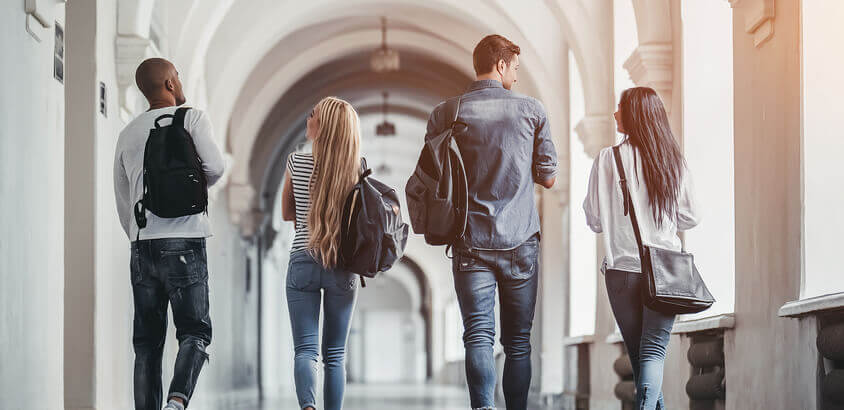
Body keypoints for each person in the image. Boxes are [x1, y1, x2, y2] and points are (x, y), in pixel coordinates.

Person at [424, 34, 558, 410]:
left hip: (470, 241)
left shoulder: (446, 113)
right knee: (518, 342)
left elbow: (434, 174)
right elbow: (548, 177)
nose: (516, 75)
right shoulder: (533, 110)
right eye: (514, 67)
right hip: (520, 242)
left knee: (478, 337)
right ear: (500, 65)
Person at [113, 58, 225, 410]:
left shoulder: (127, 133)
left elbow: (122, 197)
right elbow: (217, 168)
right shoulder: (192, 119)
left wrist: (138, 235)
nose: (179, 80)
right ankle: (177, 400)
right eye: (176, 74)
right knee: (194, 331)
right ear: (170, 84)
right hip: (186, 241)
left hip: (142, 245)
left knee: (147, 343)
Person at [583, 86, 699, 410]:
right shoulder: (672, 159)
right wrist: (659, 221)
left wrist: (617, 217)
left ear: (634, 115)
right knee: (653, 354)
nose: (615, 113)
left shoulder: (607, 159)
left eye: (620, 107)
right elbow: (691, 216)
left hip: (621, 272)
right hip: (666, 270)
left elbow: (593, 219)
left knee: (640, 356)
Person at [280, 97, 362, 410]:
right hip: (342, 264)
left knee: (306, 350)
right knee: (336, 356)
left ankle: (308, 407)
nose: (307, 118)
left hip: (302, 258)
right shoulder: (357, 168)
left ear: (322, 126)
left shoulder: (295, 161)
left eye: (312, 114)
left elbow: (288, 213)